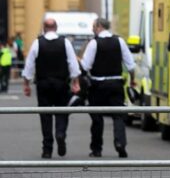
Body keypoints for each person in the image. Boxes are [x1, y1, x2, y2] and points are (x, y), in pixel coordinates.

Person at [21, 19, 82, 158]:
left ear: (44, 28)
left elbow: (29, 65)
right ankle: (60, 133)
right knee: (62, 111)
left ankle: (47, 149)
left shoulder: (38, 43)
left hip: (43, 84)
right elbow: (73, 64)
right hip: (61, 83)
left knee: (45, 115)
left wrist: (26, 84)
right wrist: (75, 81)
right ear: (56, 27)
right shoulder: (65, 42)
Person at [80, 18, 135, 158]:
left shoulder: (94, 43)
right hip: (116, 84)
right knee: (118, 116)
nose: (92, 29)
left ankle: (97, 149)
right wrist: (132, 79)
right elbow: (131, 65)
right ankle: (120, 143)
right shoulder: (119, 41)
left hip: (98, 85)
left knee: (97, 118)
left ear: (99, 26)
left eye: (93, 26)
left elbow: (86, 66)